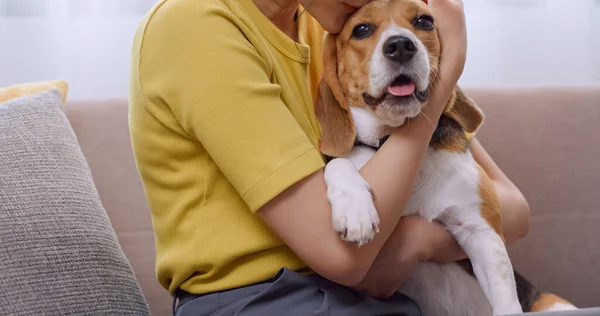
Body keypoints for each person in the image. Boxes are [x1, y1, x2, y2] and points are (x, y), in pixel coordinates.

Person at [128, 0, 531, 315]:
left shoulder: (337, 25)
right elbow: (344, 257)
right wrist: (443, 83)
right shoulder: (194, 26)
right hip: (257, 300)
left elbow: (512, 209)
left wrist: (417, 242)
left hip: (366, 294)